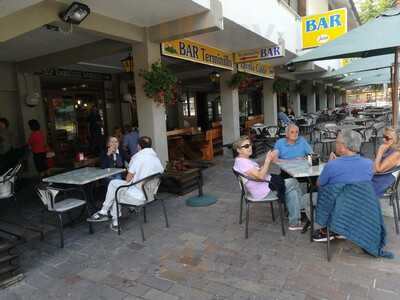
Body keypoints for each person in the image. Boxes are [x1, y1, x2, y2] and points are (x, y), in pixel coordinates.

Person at [88, 136, 164, 231]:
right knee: (115, 186)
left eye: (116, 142)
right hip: (151, 194)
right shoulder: (156, 158)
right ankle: (110, 217)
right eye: (112, 142)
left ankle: (108, 214)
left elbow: (128, 179)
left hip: (139, 195)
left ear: (139, 146)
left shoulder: (138, 157)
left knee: (116, 189)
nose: (115, 144)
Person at [309, 129, 374, 241]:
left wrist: (330, 164)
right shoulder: (369, 163)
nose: (335, 144)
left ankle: (327, 229)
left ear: (343, 146)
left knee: (307, 198)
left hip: (339, 205)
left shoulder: (333, 165)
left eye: (337, 142)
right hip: (362, 203)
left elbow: (319, 184)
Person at [233, 137, 305, 230]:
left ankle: (294, 219)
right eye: (246, 146)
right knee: (294, 182)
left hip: (263, 185)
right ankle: (302, 209)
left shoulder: (240, 160)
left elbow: (257, 173)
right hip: (263, 190)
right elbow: (261, 176)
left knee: (292, 191)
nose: (250, 147)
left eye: (250, 144)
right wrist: (267, 160)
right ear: (238, 150)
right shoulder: (243, 163)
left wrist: (269, 161)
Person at [372, 127, 400, 197]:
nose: (383, 139)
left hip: (381, 181)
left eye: (387, 138)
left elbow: (378, 169)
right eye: (383, 136)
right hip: (378, 177)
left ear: (395, 140)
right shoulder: (390, 148)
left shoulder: (396, 153)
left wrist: (380, 152)